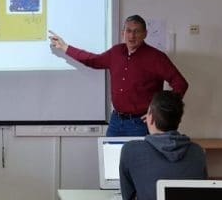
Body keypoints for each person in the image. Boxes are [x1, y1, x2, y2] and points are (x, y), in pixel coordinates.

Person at [49, 15, 188, 136]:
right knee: (109, 156)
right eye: (129, 31)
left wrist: (160, 111)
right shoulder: (116, 52)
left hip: (140, 124)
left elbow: (180, 84)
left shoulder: (156, 57)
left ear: (145, 34)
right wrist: (65, 47)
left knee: (136, 159)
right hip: (116, 121)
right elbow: (92, 60)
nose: (132, 36)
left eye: (137, 31)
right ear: (123, 33)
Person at [118, 91, 207, 200]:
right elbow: (201, 198)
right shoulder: (197, 152)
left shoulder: (131, 150)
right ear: (178, 120)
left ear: (150, 118)